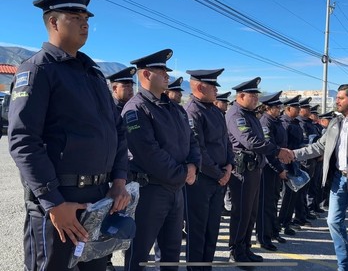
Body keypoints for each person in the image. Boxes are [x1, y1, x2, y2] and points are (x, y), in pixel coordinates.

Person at [8, 0, 131, 270]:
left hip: (99, 200)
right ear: (53, 22)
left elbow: (117, 131)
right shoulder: (38, 69)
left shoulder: (93, 74)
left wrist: (119, 181)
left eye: (86, 16)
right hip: (61, 204)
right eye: (75, 15)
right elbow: (23, 140)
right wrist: (53, 202)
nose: (85, 21)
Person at [287, 84, 348, 271]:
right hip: (338, 181)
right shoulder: (335, 122)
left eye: (341, 98)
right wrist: (293, 154)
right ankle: (345, 264)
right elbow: (318, 147)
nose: (337, 100)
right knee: (332, 221)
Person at [122, 49, 201, 271]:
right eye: (162, 71)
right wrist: (183, 173)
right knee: (138, 252)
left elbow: (192, 140)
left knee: (171, 251)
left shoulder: (175, 109)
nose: (167, 75)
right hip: (150, 191)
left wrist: (194, 165)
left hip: (175, 190)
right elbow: (148, 153)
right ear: (146, 75)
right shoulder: (136, 109)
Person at [225, 77, 292, 265]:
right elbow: (250, 141)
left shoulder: (249, 114)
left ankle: (245, 247)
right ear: (241, 96)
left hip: (254, 168)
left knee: (251, 213)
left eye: (257, 95)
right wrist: (277, 151)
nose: (256, 99)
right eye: (253, 95)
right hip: (243, 171)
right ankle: (236, 251)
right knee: (242, 213)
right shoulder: (236, 114)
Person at [183, 68, 234, 271]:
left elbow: (226, 142)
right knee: (198, 230)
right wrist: (219, 173)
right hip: (202, 181)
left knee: (212, 228)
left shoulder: (215, 111)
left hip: (220, 178)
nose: (216, 90)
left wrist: (229, 166)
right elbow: (198, 149)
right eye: (213, 86)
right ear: (200, 86)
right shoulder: (192, 112)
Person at [105, 66, 136, 271]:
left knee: (127, 217)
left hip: (130, 173)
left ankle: (126, 251)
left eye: (131, 85)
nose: (130, 89)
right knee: (106, 217)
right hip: (112, 174)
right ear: (114, 89)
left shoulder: (134, 110)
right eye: (125, 86)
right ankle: (105, 259)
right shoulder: (109, 110)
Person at [255, 91, 288, 251]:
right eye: (277, 107)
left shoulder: (276, 121)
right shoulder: (265, 122)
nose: (279, 109)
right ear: (268, 108)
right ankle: (263, 237)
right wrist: (279, 169)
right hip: (269, 169)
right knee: (265, 204)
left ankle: (273, 231)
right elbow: (269, 151)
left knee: (274, 201)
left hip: (277, 168)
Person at [277, 95, 304, 236]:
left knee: (293, 195)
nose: (299, 110)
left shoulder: (295, 123)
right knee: (287, 195)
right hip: (286, 164)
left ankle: (287, 221)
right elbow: (283, 146)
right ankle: (282, 223)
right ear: (288, 108)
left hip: (295, 162)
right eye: (296, 107)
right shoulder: (284, 123)